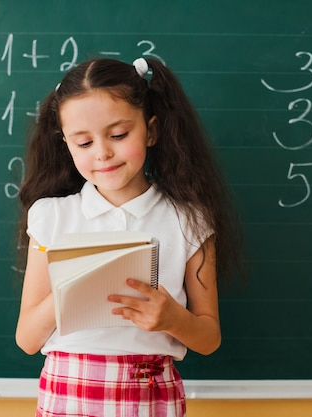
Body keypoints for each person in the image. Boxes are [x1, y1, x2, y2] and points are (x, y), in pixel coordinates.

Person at [14, 57, 242, 417]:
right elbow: (27, 339)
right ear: (66, 145)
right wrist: (72, 293)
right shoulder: (52, 216)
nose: (102, 152)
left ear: (150, 131)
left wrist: (172, 319)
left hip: (151, 394)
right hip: (68, 393)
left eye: (118, 135)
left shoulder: (189, 219)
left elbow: (209, 338)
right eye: (83, 142)